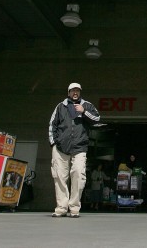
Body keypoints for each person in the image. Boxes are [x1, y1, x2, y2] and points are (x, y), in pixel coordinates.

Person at [48, 82, 100, 218]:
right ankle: (61, 208)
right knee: (59, 177)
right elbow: (52, 124)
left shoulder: (87, 105)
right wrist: (54, 143)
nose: (75, 93)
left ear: (80, 92)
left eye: (77, 90)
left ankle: (74, 208)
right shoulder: (60, 106)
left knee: (78, 174)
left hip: (80, 147)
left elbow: (97, 119)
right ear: (68, 92)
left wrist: (84, 112)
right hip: (60, 148)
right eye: (72, 91)